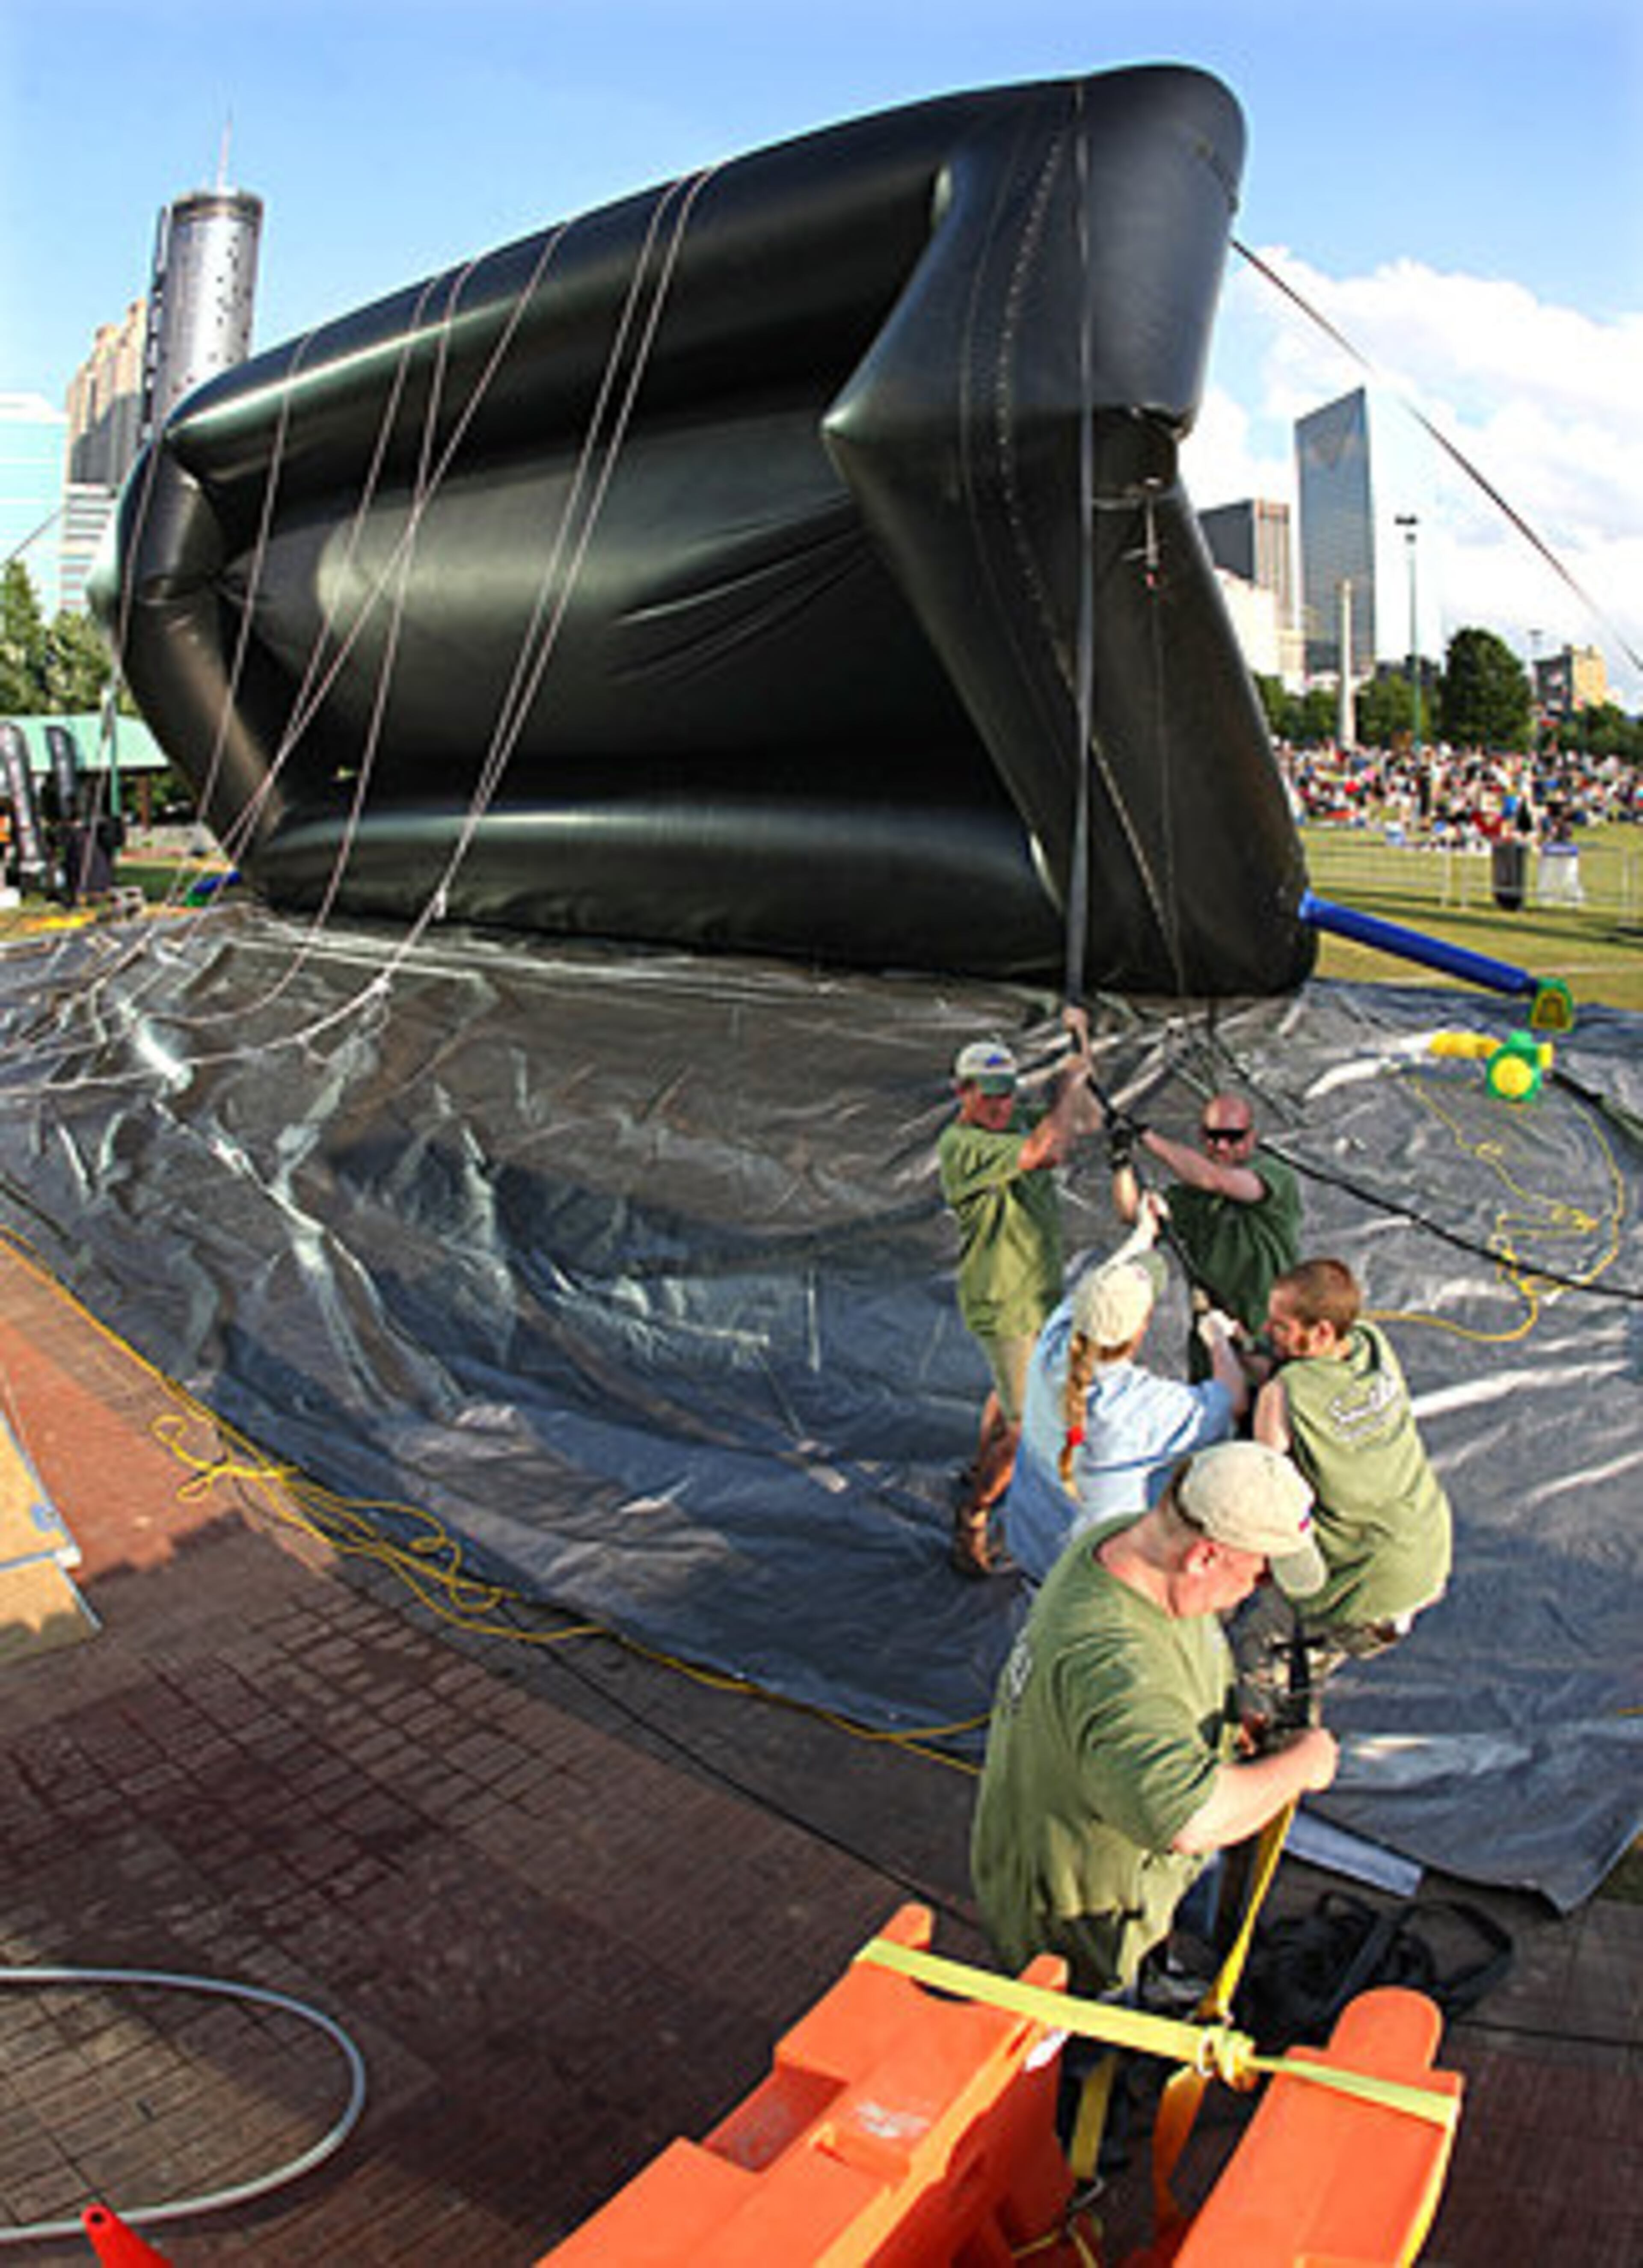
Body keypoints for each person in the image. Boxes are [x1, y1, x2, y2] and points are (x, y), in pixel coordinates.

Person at [971, 1439, 1338, 2001]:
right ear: (1205, 1556)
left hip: (1120, 1876)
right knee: (1081, 2048)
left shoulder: (1125, 1543)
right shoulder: (1112, 1663)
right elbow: (1187, 1819)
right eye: (1261, 1575)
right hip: (1081, 1929)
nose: (1259, 1590)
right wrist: (1303, 1765)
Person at [1235, 1257, 1453, 1731]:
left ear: (1321, 1333)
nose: (1267, 1330)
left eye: (1281, 1326)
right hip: (1427, 1551)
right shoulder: (1372, 1345)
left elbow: (1262, 1484)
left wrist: (1229, 1365)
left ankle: (1270, 1738)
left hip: (1370, 1584)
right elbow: (1326, 1395)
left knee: (1257, 1642)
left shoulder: (1284, 1394)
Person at [1002, 1196, 1249, 1583]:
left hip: (1033, 1543)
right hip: (1092, 1574)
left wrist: (1143, 1234)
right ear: (1142, 1327)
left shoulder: (1055, 1340)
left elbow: (1101, 1285)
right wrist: (1217, 1337)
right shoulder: (1141, 1409)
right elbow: (1232, 1399)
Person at [937, 1020, 1093, 1574]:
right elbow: (1041, 1147)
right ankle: (974, 1515)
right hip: (1006, 1302)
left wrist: (1079, 1059)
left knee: (1005, 1398)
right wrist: (1070, 1085)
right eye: (989, 1096)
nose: (1002, 1107)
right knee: (1027, 1427)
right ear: (963, 1092)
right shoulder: (964, 1145)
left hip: (1035, 1292)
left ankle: (979, 1470)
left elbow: (1066, 1137)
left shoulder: (1012, 1123)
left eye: (1008, 1095)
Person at [1107, 1091, 1301, 1376]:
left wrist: (1150, 1139)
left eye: (1233, 1137)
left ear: (1251, 1137)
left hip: (1267, 1339)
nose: (1222, 1146)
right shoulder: (1192, 1197)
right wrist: (1121, 1162)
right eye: (1213, 1136)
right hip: (1212, 1345)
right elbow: (1131, 1215)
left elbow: (1217, 1180)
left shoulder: (1273, 1175)